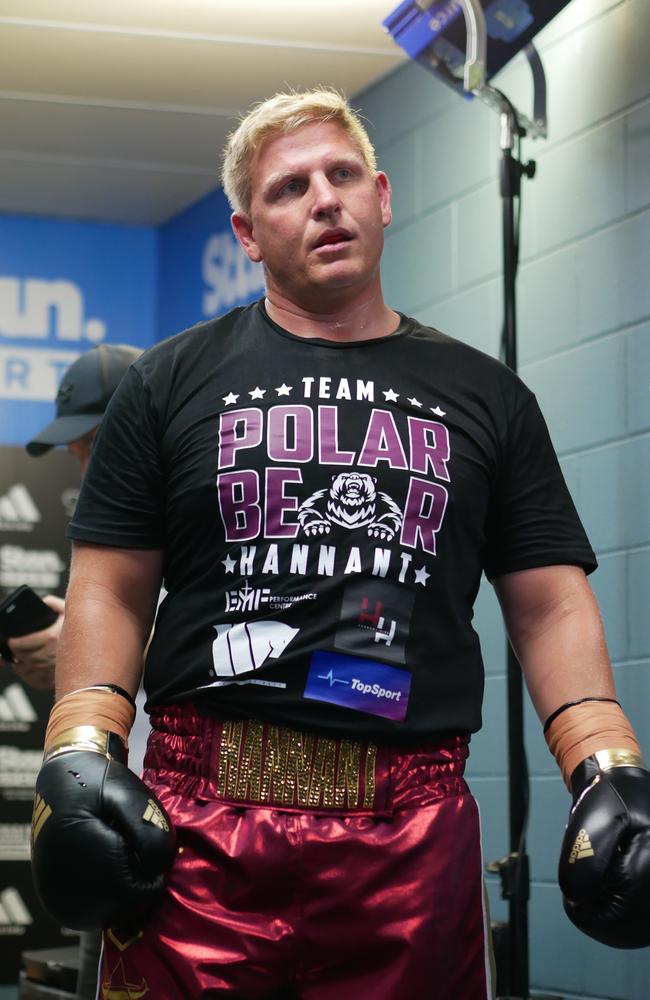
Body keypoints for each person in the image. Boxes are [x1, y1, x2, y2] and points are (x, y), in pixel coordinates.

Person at [30, 89, 650, 999]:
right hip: (204, 828)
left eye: (342, 173)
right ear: (246, 232)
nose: (324, 198)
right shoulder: (166, 384)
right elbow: (111, 589)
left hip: (412, 833)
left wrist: (607, 767)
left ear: (384, 195)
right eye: (289, 188)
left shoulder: (488, 397)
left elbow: (549, 600)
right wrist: (81, 743)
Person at [10, 343, 144, 1000]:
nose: (81, 465)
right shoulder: (107, 526)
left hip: (178, 819)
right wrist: (66, 647)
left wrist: (75, 641)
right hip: (107, 816)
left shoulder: (194, 506)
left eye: (88, 445)